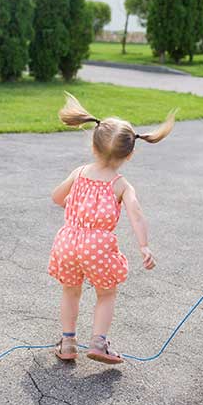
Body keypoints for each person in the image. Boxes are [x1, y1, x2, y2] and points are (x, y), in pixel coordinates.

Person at [48, 93, 174, 364]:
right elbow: (136, 215)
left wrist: (75, 208)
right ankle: (98, 343)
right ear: (129, 155)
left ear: (94, 147)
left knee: (71, 290)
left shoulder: (80, 172)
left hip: (68, 241)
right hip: (98, 247)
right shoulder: (120, 184)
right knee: (106, 293)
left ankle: (68, 342)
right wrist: (144, 246)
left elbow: (57, 197)